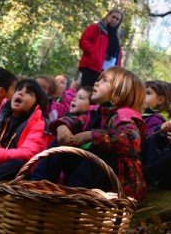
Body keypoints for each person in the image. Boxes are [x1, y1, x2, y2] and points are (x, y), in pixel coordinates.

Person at [31, 66, 147, 202]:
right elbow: (76, 121)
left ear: (121, 91)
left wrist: (89, 135)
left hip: (116, 184)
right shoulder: (95, 111)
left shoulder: (124, 115)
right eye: (98, 79)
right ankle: (35, 185)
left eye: (104, 81)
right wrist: (62, 127)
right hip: (90, 178)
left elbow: (130, 139)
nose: (96, 83)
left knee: (101, 150)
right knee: (58, 145)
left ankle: (71, 198)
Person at [78, 8, 124, 87]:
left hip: (108, 74)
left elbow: (118, 56)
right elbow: (83, 41)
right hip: (92, 68)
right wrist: (94, 53)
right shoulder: (96, 28)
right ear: (108, 15)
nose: (115, 20)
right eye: (113, 17)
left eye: (117, 19)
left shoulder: (118, 36)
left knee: (98, 97)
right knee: (86, 93)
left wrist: (118, 72)